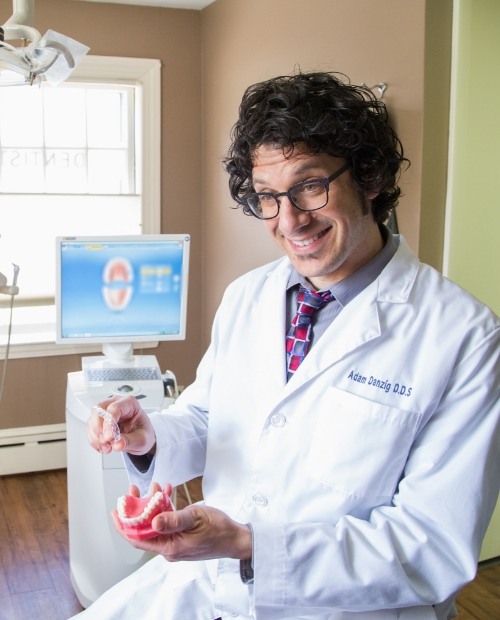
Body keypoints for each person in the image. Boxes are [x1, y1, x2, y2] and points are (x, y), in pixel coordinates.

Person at [72, 71, 499, 620]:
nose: (289, 220)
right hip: (209, 584)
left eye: (310, 187)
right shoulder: (250, 296)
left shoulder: (462, 335)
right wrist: (147, 436)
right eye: (268, 197)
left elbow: (432, 546)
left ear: (368, 177)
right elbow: (209, 416)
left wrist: (253, 545)